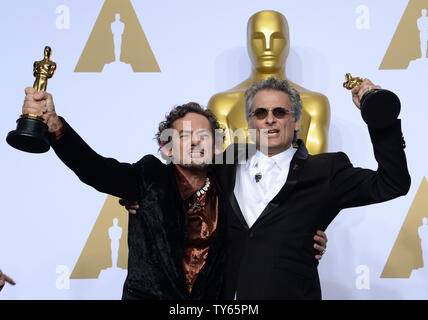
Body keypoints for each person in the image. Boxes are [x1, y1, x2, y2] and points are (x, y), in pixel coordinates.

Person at [21, 87, 327, 300]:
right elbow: (96, 169)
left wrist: (306, 238)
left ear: (219, 145)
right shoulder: (148, 178)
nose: (195, 142)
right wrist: (55, 126)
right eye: (184, 136)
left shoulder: (233, 183)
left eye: (204, 135)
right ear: (167, 147)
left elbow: (271, 216)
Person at [214, 76, 410, 299]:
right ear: (249, 124)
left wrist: (379, 118)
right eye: (260, 113)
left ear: (296, 121)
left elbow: (392, 183)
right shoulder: (225, 163)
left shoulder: (325, 170)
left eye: (279, 112)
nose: (270, 120)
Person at [208, 10, 330, 155]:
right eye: (258, 38)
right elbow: (225, 167)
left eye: (277, 38)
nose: (267, 46)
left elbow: (316, 168)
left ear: (288, 43)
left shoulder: (314, 105)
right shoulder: (223, 105)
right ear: (248, 43)